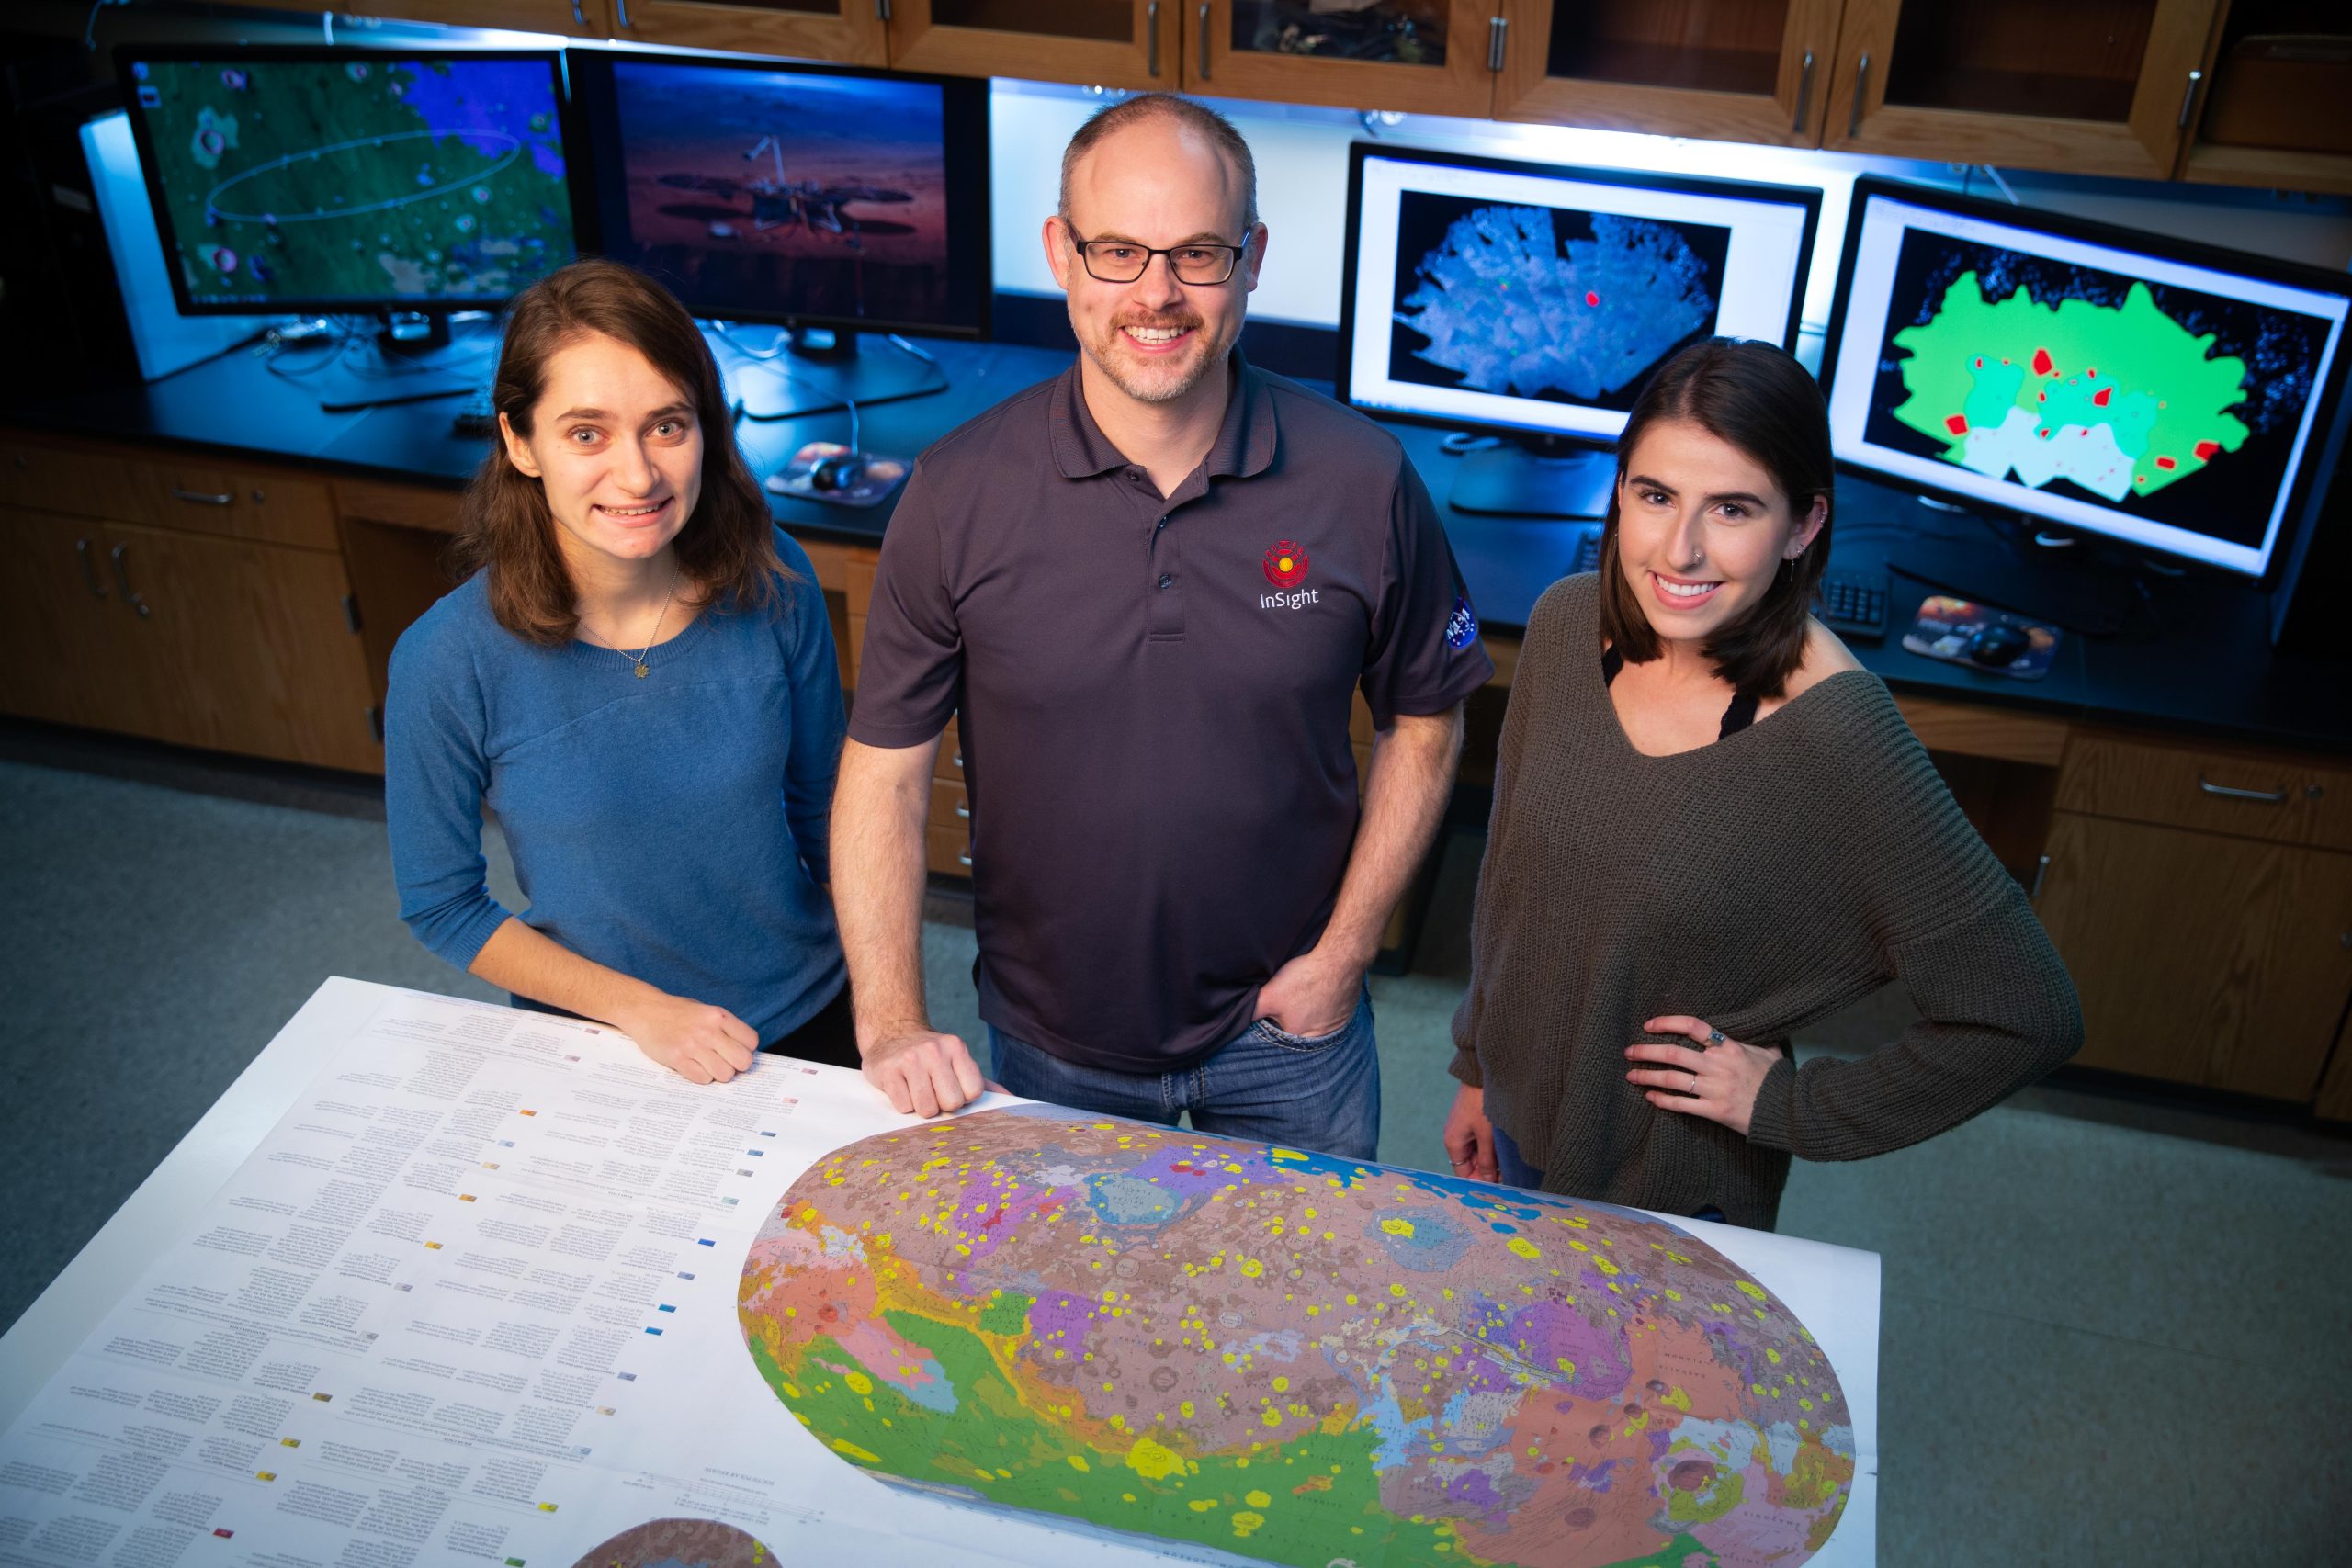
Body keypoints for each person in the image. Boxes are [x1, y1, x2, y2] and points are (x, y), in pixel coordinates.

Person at [831, 95, 1493, 1154]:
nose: (1156, 294)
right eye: (1117, 252)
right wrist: (894, 1021)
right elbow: (885, 773)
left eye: (1195, 253)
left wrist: (1344, 957)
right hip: (1053, 1039)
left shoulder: (1362, 480)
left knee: (1309, 1304)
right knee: (1075, 1312)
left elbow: (1428, 721)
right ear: (1059, 252)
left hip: (1293, 1035)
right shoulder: (957, 495)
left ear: (1252, 259)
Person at [1442, 337, 2081, 1229]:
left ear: (1803, 526)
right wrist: (1476, 1070)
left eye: (1732, 509)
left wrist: (1789, 1106)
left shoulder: (1838, 731)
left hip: (1667, 1185)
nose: (1681, 548)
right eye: (1654, 495)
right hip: (1515, 1129)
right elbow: (1510, 881)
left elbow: (2025, 1013)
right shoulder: (1561, 623)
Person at [387, 258, 850, 1085]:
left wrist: (891, 1009)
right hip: (600, 1042)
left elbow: (829, 815)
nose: (637, 475)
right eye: (586, 433)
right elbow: (442, 905)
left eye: (667, 426)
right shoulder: (445, 659)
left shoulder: (775, 577)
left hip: (805, 1010)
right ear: (519, 442)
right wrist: (640, 1009)